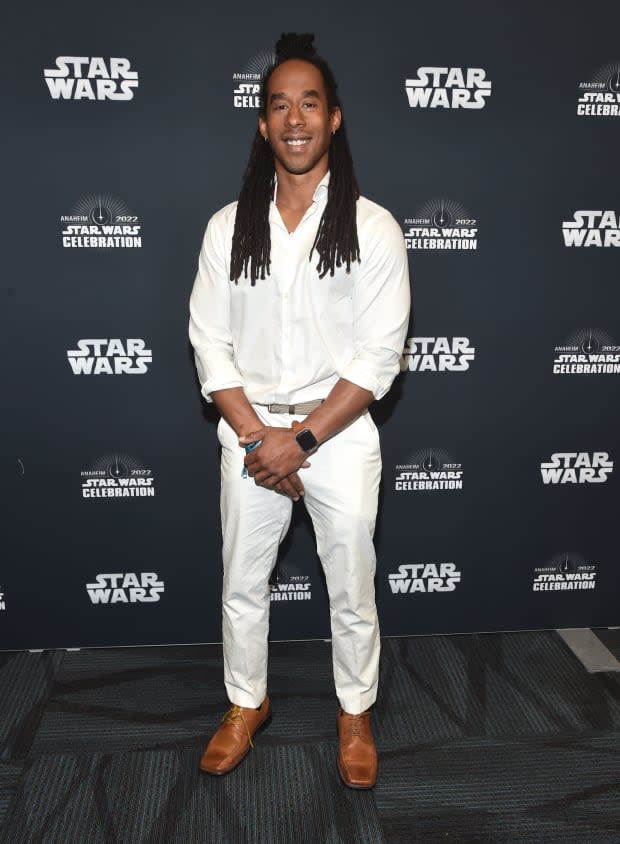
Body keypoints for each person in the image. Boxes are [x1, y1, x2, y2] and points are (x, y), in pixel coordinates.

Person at [189, 32, 410, 789]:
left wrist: (304, 439)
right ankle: (246, 704)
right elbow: (209, 345)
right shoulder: (229, 228)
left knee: (351, 586)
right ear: (261, 124)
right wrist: (260, 441)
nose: (294, 118)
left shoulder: (373, 227)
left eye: (308, 103)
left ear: (335, 119)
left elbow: (378, 358)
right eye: (278, 104)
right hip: (249, 434)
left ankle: (355, 711)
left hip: (338, 438)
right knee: (242, 584)